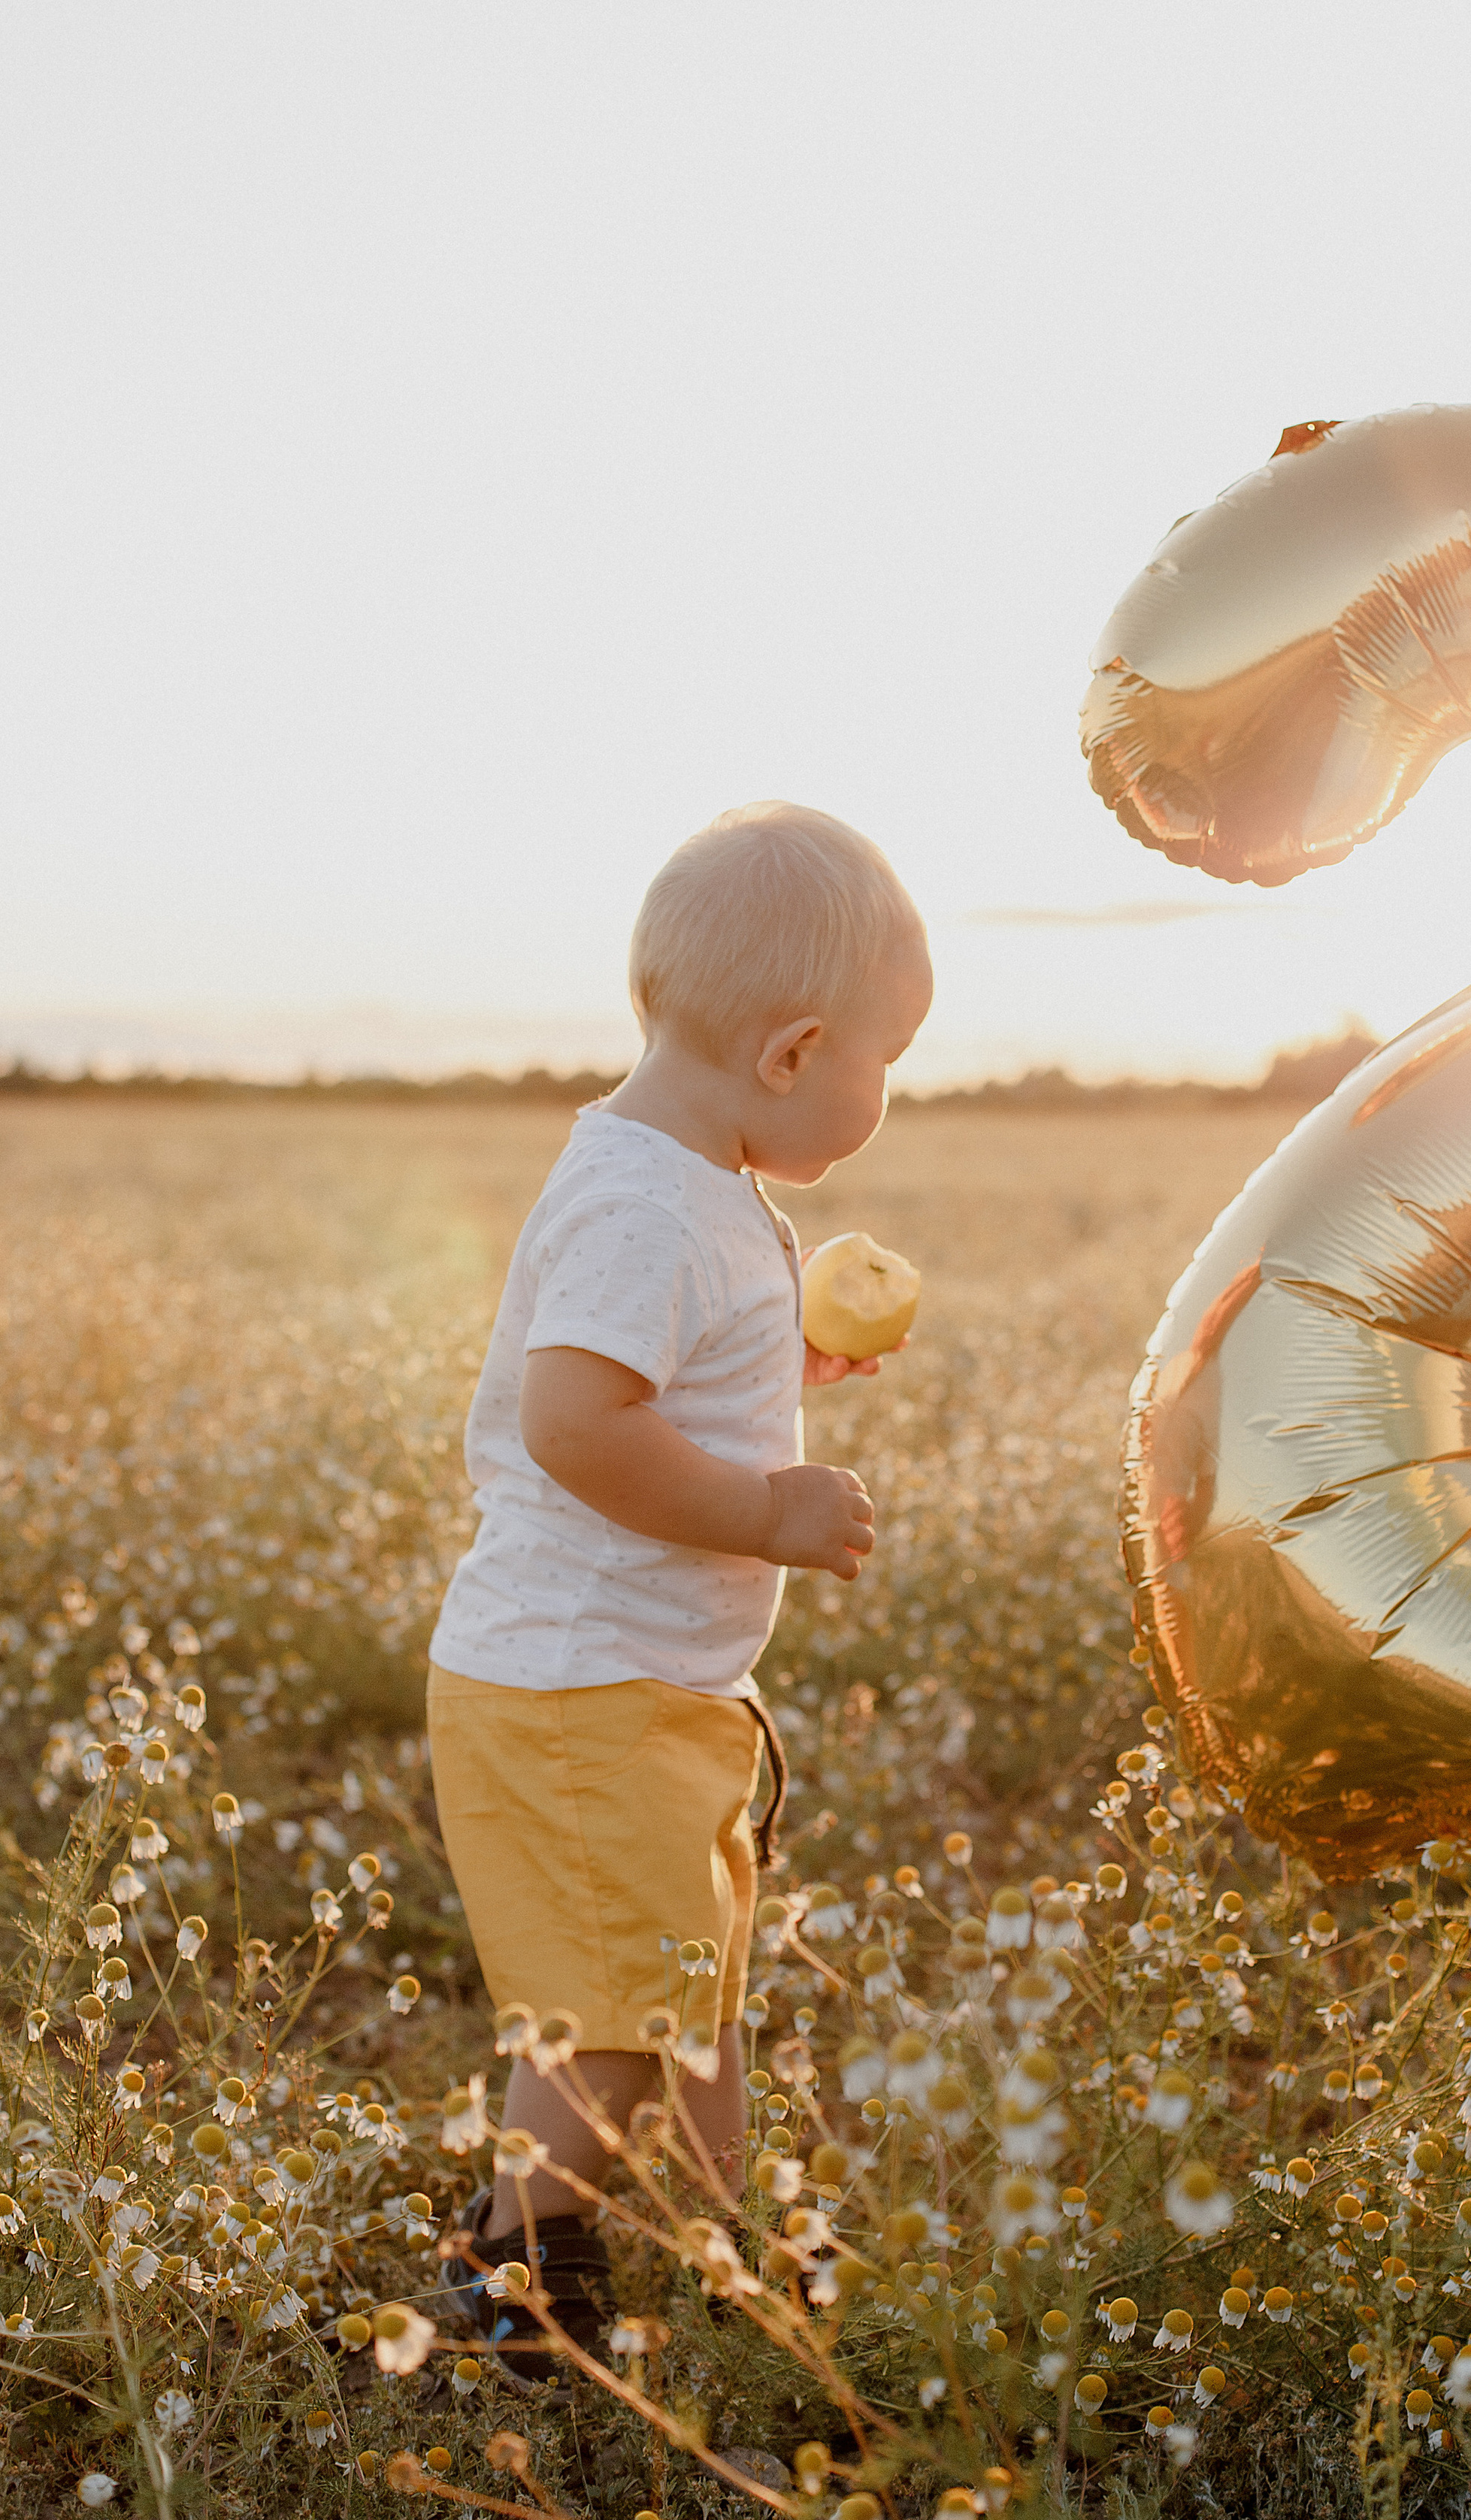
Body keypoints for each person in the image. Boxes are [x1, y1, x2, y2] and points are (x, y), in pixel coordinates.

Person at [425, 801, 931, 2371]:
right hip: (576, 1684)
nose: (881, 1102)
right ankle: (516, 2262)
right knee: (615, 2013)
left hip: (645, 1685)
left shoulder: (691, 1184)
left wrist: (778, 1371)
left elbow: (659, 1376)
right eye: (880, 1065)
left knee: (689, 1970)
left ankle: (735, 2234)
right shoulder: (647, 1203)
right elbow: (574, 1424)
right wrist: (762, 1509)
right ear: (790, 1053)